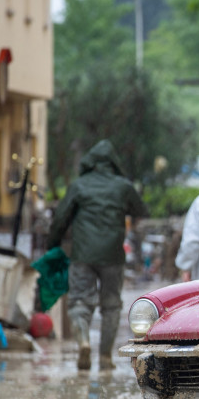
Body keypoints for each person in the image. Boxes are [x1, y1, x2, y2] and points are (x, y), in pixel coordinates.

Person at [47, 139, 149, 371]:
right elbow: (141, 210)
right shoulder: (123, 186)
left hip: (82, 254)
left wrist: (52, 245)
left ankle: (83, 340)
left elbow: (60, 219)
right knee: (111, 306)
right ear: (113, 162)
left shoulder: (78, 186)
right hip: (113, 255)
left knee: (79, 301)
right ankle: (105, 357)